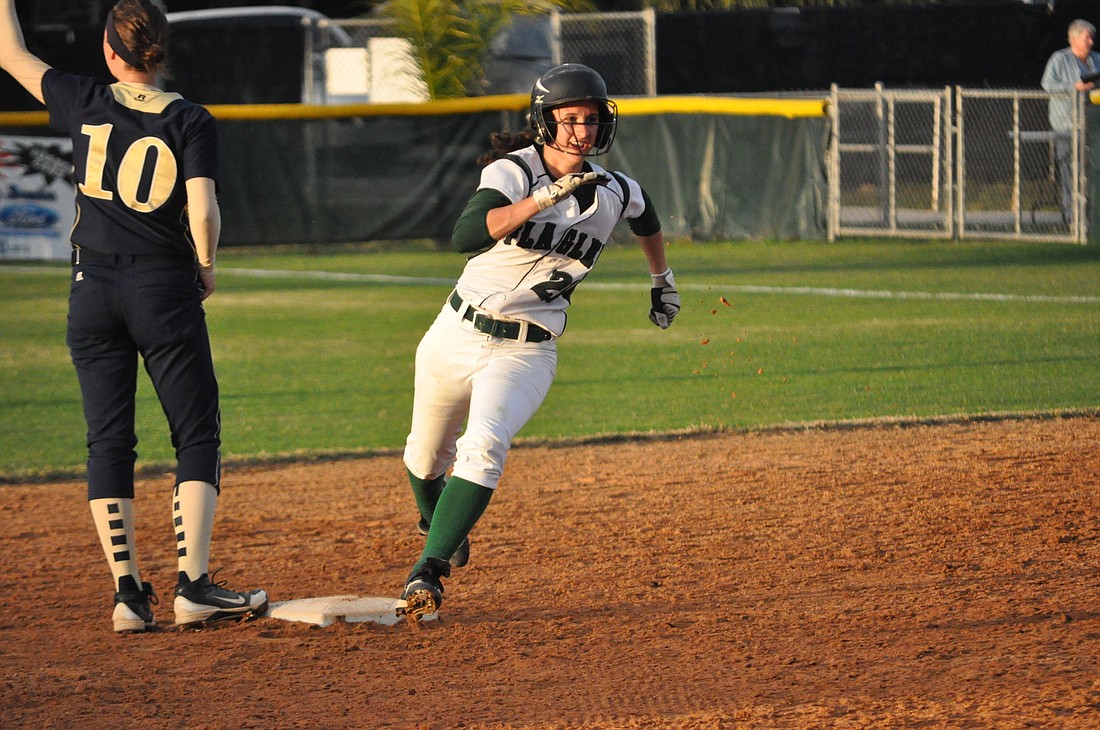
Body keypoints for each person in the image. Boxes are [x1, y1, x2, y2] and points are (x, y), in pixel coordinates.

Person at [0, 0, 267, 632]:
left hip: (91, 289)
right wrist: (206, 264)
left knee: (108, 440)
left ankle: (127, 596)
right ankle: (193, 586)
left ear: (110, 51)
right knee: (195, 434)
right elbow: (202, 211)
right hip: (162, 287)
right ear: (160, 51)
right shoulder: (190, 118)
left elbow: (11, 53)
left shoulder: (82, 97)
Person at [396, 63, 681, 622]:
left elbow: (647, 218)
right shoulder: (514, 171)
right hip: (454, 332)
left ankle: (428, 571)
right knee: (424, 456)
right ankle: (441, 523)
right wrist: (544, 198)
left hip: (528, 348)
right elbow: (465, 236)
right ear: (544, 121)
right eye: (569, 118)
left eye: (592, 120)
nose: (582, 131)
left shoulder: (616, 189)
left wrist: (661, 280)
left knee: (484, 445)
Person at [1040, 18, 1100, 222]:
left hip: (1093, 127)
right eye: (1087, 37)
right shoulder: (1059, 59)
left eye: (1092, 37)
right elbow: (1047, 85)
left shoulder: (1097, 59)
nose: (1091, 42)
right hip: (1067, 125)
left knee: (1093, 170)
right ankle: (1072, 216)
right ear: (1074, 38)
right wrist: (1074, 88)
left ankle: (1093, 214)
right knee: (1069, 171)